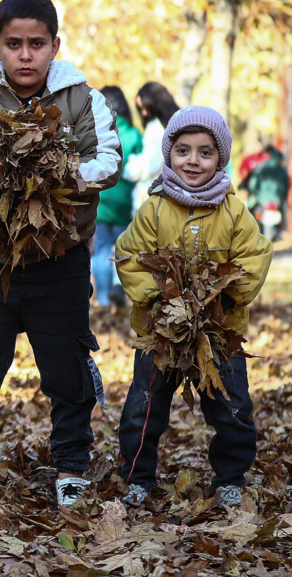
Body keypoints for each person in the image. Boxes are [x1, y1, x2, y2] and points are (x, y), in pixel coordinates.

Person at [0, 0, 122, 509]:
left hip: (59, 260)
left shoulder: (83, 97)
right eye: (13, 44)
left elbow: (107, 159)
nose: (25, 55)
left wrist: (47, 175)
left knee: (67, 367)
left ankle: (72, 468)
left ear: (54, 45)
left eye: (36, 44)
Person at [115, 106, 271, 508]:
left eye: (205, 152)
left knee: (232, 405)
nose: (193, 161)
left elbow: (255, 256)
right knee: (144, 406)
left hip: (220, 332)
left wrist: (227, 295)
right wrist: (157, 296)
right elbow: (129, 255)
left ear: (221, 158)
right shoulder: (154, 208)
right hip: (161, 331)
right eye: (183, 150)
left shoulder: (234, 211)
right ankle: (138, 475)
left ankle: (230, 477)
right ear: (169, 154)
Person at [92, 86, 143, 310]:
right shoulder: (134, 134)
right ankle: (119, 291)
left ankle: (103, 299)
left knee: (101, 248)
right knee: (123, 249)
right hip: (125, 202)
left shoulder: (97, 131)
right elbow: (140, 169)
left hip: (100, 200)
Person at [124, 82, 179, 210]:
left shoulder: (155, 127)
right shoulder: (179, 122)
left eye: (145, 107)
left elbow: (150, 164)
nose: (143, 113)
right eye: (140, 108)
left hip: (154, 200)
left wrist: (130, 168)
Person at [240, 145, 289, 242]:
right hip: (277, 202)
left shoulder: (260, 169)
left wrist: (254, 195)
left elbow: (252, 185)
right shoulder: (282, 171)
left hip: (261, 201)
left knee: (252, 214)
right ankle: (280, 231)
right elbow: (286, 186)